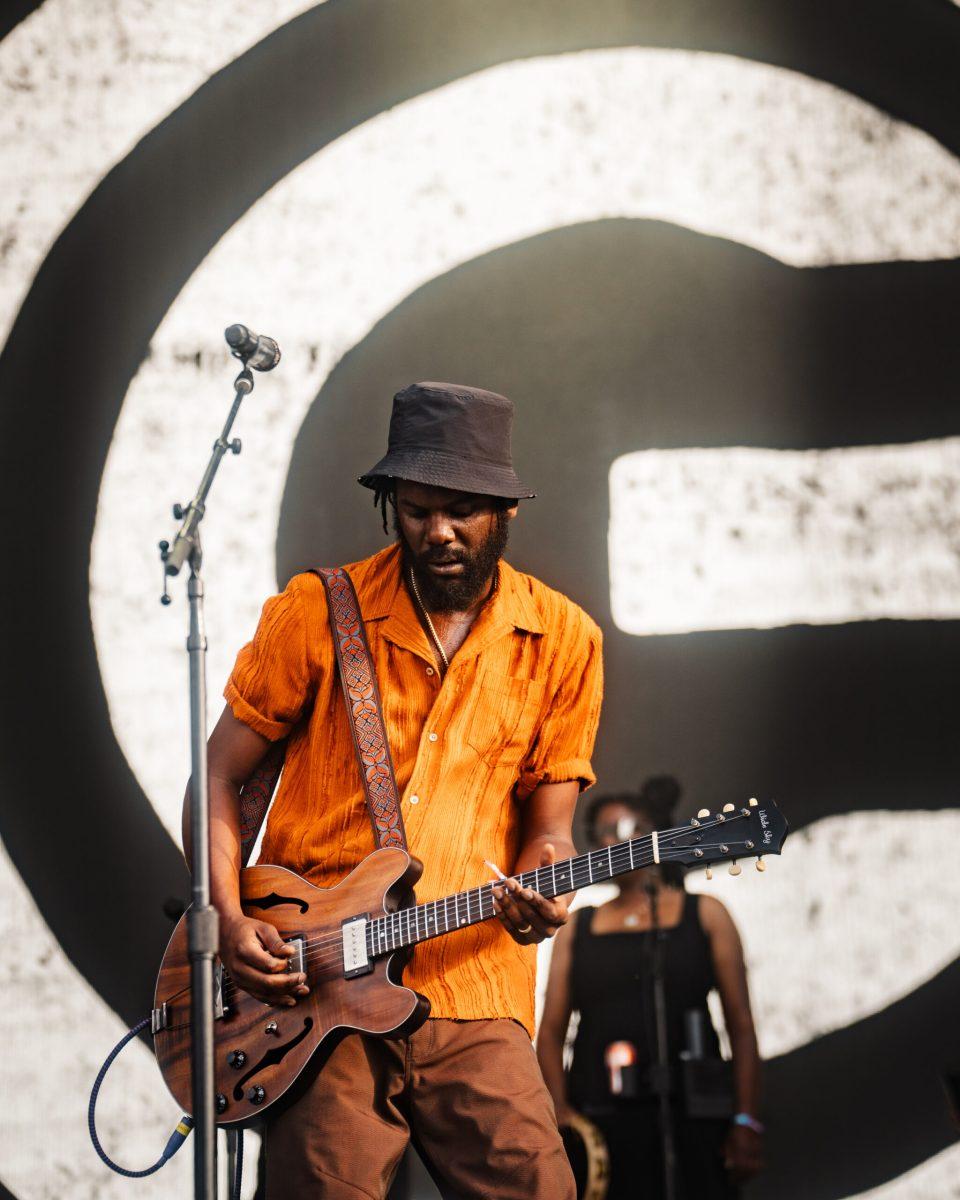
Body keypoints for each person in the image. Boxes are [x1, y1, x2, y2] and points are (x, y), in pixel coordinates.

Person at [182, 381, 604, 1200]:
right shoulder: (316, 612)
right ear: (390, 504)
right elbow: (221, 774)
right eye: (416, 510)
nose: (438, 532)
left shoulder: (563, 639)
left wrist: (545, 886)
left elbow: (552, 827)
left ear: (504, 511)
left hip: (472, 983)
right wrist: (227, 920)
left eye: (461, 511)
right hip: (315, 993)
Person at [537, 777, 764, 1200]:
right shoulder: (579, 927)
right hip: (600, 1117)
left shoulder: (706, 914)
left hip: (694, 1110)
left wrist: (746, 1120)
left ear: (654, 833)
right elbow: (550, 1031)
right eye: (603, 833)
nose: (615, 841)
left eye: (627, 828)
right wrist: (561, 1112)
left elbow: (742, 1026)